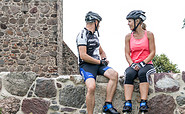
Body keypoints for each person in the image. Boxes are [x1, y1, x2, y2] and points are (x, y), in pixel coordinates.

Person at [76, 11, 120, 114]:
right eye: (99, 23)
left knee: (114, 75)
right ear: (95, 22)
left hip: (97, 65)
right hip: (86, 66)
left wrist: (103, 59)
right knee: (91, 87)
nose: (99, 26)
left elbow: (102, 52)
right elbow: (83, 55)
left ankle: (107, 105)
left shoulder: (95, 36)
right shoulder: (82, 35)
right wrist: (99, 62)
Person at [123, 10, 156, 113]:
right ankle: (128, 103)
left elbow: (153, 52)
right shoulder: (128, 37)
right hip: (134, 64)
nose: (128, 24)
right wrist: (132, 64)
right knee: (128, 74)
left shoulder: (149, 34)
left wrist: (142, 63)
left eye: (129, 21)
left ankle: (143, 102)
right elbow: (127, 54)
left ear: (137, 21)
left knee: (142, 73)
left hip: (147, 64)